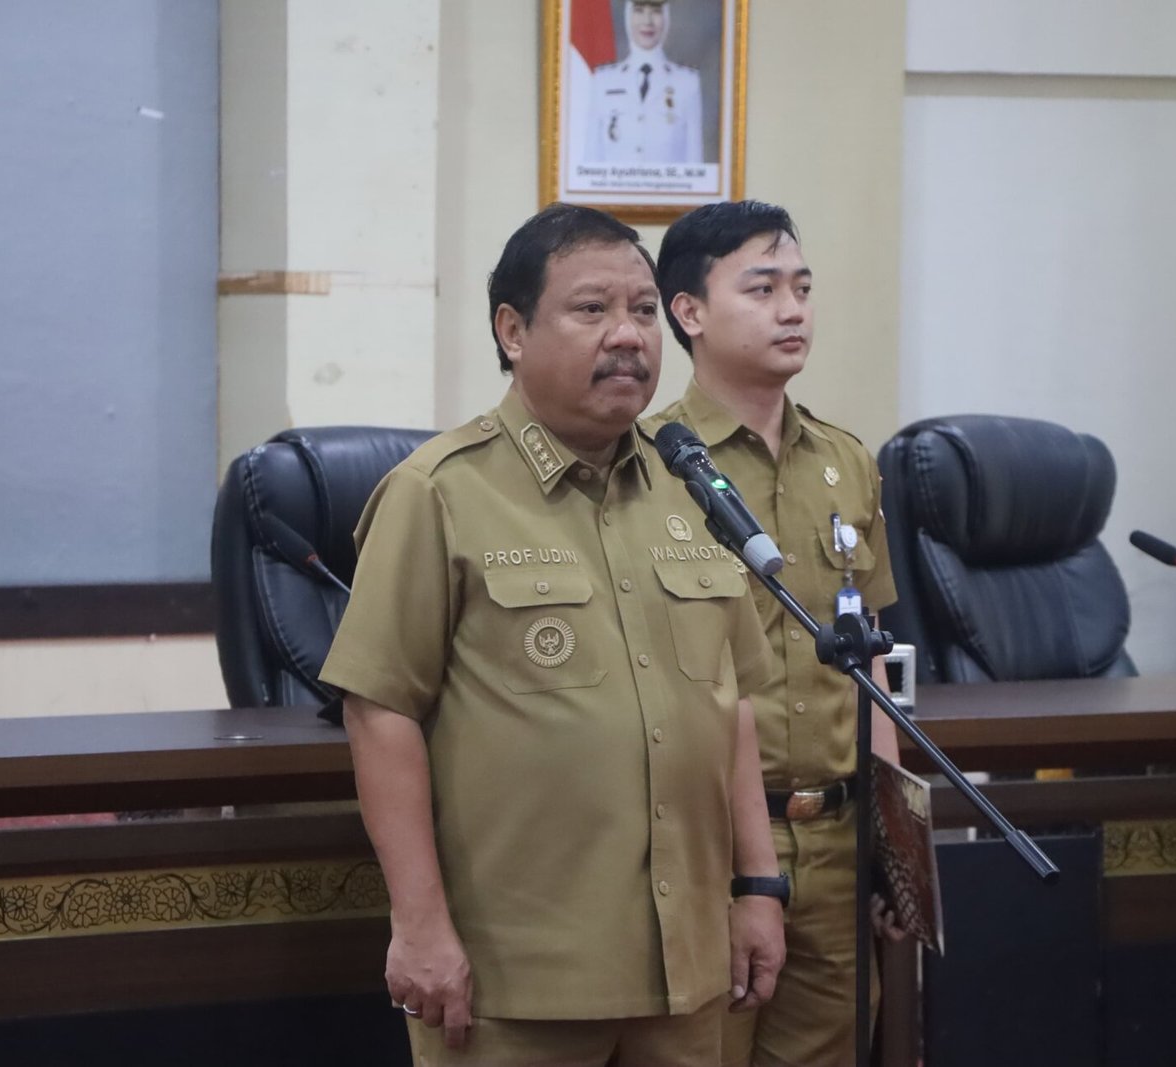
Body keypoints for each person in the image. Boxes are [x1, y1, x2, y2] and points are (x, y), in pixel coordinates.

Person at [319, 203, 786, 1066]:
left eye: (643, 311)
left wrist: (758, 885)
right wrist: (418, 926)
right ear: (512, 330)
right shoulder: (439, 493)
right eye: (591, 309)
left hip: (686, 968)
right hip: (516, 981)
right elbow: (379, 711)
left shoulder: (692, 488)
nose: (628, 335)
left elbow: (735, 704)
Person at [651, 199, 907, 1067]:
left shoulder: (845, 460)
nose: (792, 309)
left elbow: (872, 658)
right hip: (705, 845)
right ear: (689, 311)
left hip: (836, 839)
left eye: (801, 287)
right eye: (762, 289)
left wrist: (892, 841)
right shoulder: (650, 463)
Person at [585, 0, 704, 165]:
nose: (647, 21)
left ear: (666, 16)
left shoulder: (687, 82)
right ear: (628, 15)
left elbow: (694, 163)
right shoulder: (604, 80)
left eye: (656, 11)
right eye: (639, 10)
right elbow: (592, 160)